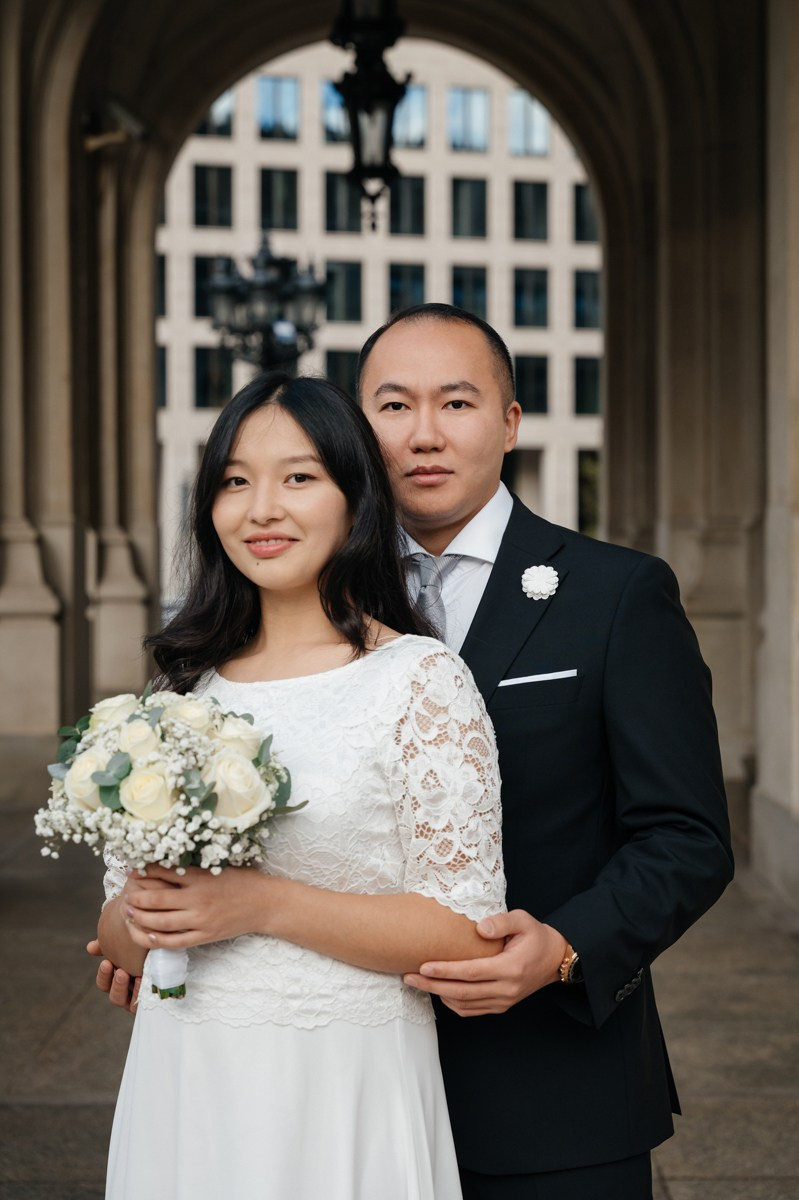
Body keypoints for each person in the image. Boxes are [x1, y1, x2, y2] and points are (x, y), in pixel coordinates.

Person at [93, 304, 734, 1198]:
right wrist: (150, 922)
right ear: (358, 434)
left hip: (543, 1080)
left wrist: (561, 949)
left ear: (509, 423)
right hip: (305, 1087)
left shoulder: (614, 593)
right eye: (392, 407)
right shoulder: (254, 626)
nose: (424, 434)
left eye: (458, 403)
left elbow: (686, 834)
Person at [96, 371, 506, 1200]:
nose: (261, 509)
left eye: (298, 478)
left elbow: (465, 932)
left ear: (355, 499)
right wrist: (143, 915)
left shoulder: (419, 681)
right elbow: (120, 938)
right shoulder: (178, 692)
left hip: (343, 1076)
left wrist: (257, 904)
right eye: (234, 482)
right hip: (186, 1073)